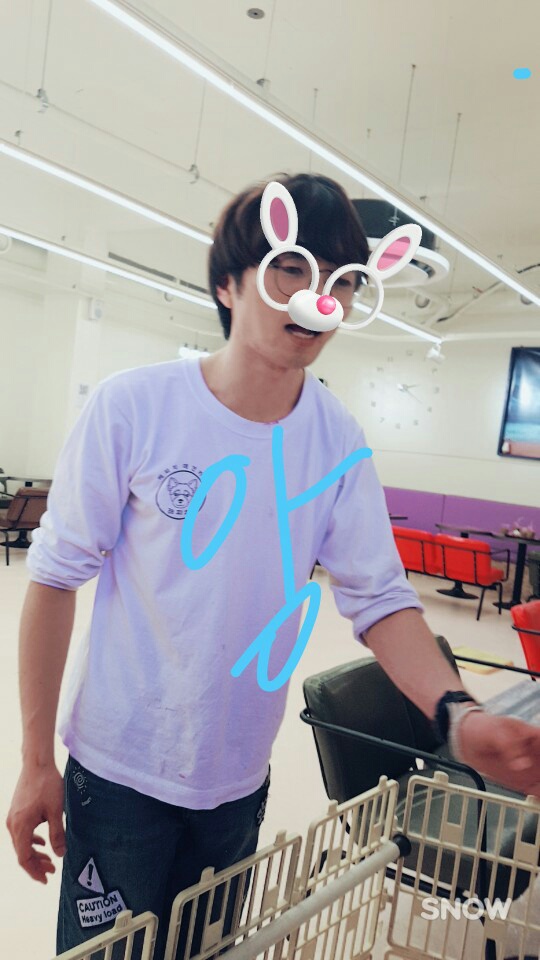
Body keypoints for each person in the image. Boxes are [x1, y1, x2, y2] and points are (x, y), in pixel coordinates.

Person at [7, 173, 540, 960]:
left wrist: (459, 716)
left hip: (236, 779)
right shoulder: (132, 408)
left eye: (342, 280)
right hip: (118, 772)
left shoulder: (336, 441)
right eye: (292, 268)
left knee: (206, 951)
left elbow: (381, 599)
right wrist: (32, 761)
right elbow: (54, 578)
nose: (319, 297)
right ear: (229, 284)